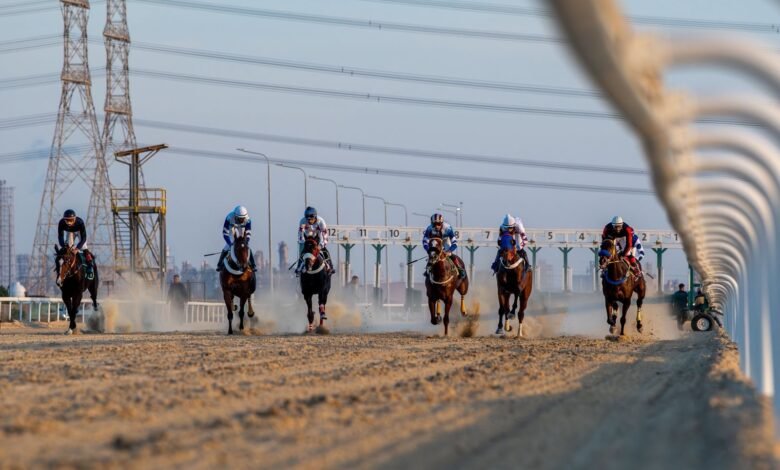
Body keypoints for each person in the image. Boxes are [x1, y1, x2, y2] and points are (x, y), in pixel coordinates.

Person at [422, 213, 466, 279]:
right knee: (432, 255)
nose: (436, 226)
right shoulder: (429, 228)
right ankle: (428, 268)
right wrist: (428, 250)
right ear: (432, 224)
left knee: (449, 254)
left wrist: (449, 251)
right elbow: (425, 241)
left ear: (442, 223)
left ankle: (459, 268)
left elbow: (455, 243)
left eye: (438, 224)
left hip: (445, 241)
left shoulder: (448, 228)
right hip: (435, 242)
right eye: (434, 224)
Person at [57, 209, 95, 280]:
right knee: (68, 247)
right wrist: (63, 246)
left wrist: (77, 249)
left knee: (84, 247)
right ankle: (65, 267)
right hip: (70, 232)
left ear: (74, 219)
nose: (69, 222)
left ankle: (90, 265)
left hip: (79, 232)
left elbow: (83, 238)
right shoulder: (61, 223)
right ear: (64, 220)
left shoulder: (80, 222)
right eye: (67, 220)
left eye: (71, 220)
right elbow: (60, 236)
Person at [217, 205, 256, 272]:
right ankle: (219, 264)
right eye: (239, 218)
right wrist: (230, 243)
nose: (241, 220)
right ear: (235, 216)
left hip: (242, 230)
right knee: (226, 247)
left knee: (247, 247)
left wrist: (246, 241)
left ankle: (253, 265)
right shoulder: (229, 217)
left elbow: (248, 232)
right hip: (232, 229)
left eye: (242, 219)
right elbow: (225, 233)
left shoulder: (248, 220)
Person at [296, 206, 334, 274]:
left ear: (315, 217)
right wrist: (304, 244)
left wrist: (321, 245)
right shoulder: (302, 221)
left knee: (325, 251)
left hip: (317, 237)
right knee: (303, 251)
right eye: (308, 219)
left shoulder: (321, 221)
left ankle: (330, 267)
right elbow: (300, 235)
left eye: (311, 219)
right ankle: (299, 267)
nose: (309, 221)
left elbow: (325, 236)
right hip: (307, 238)